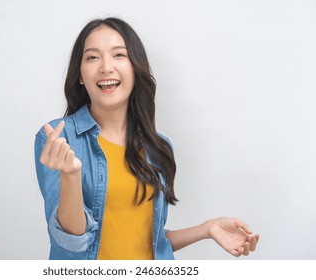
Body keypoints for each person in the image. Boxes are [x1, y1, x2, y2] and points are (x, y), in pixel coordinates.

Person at [34, 17, 259, 260]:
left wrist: (206, 229)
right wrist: (70, 176)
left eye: (119, 55)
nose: (106, 67)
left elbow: (149, 240)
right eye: (92, 57)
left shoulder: (158, 146)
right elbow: (70, 243)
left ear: (135, 68)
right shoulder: (59, 138)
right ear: (80, 75)